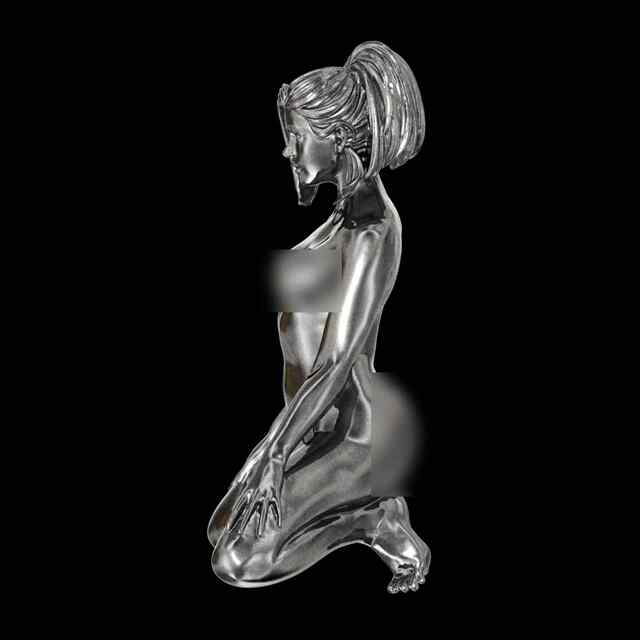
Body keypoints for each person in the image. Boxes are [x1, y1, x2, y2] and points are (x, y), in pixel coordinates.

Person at [207, 41, 430, 594]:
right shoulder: (336, 221)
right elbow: (298, 344)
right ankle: (352, 504)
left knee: (237, 563)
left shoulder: (375, 233)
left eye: (298, 136)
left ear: (339, 141)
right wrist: (275, 444)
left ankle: (372, 516)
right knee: (218, 528)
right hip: (310, 427)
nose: (287, 149)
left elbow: (333, 363)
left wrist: (275, 453)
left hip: (356, 438)